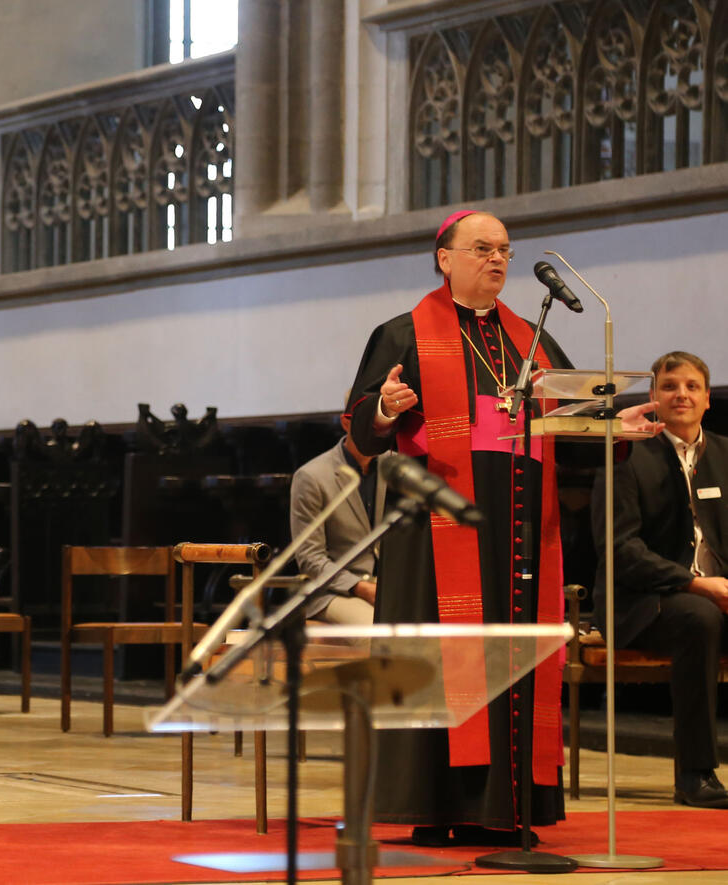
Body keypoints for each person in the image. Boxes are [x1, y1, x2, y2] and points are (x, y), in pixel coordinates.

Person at [346, 209, 659, 846]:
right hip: (436, 529)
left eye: (506, 251)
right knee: (442, 657)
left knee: (513, 654)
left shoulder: (533, 341)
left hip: (518, 526)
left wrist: (613, 431)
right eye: (483, 248)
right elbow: (359, 429)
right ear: (445, 257)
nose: (498, 260)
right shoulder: (403, 332)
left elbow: (571, 429)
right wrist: (384, 408)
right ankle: (438, 806)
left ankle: (511, 805)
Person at [592, 351, 728, 808]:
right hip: (642, 602)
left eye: (692, 386)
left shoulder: (726, 455)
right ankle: (696, 773)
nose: (681, 395)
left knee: (706, 612)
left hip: (717, 593)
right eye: (670, 387)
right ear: (653, 398)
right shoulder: (626, 454)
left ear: (708, 398)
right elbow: (620, 549)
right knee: (699, 617)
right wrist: (696, 584)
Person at [290, 409, 386, 629]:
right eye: (369, 424)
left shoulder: (394, 467)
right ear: (346, 423)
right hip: (334, 592)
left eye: (384, 423)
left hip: (389, 587)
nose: (379, 432)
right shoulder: (312, 476)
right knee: (378, 633)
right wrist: (360, 586)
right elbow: (309, 557)